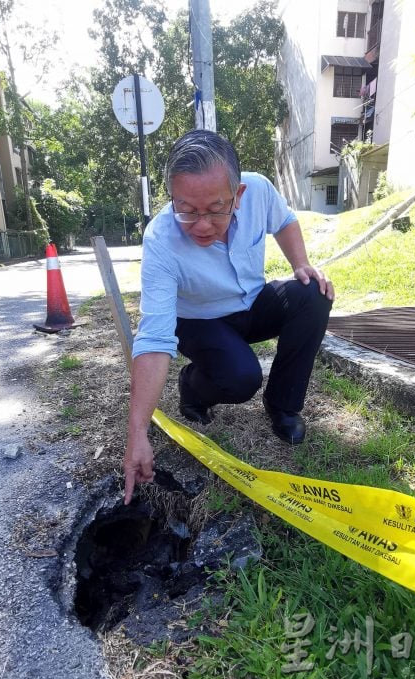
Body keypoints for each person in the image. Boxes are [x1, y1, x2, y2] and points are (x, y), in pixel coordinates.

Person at [123, 129, 334, 504]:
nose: (201, 225)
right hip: (199, 321)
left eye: (215, 209)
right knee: (241, 378)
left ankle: (283, 406)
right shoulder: (160, 240)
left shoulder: (259, 190)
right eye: (186, 209)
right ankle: (192, 386)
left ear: (238, 195)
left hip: (251, 304)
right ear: (172, 196)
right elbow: (154, 337)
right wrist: (137, 430)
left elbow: (284, 221)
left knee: (311, 294)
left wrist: (301, 264)